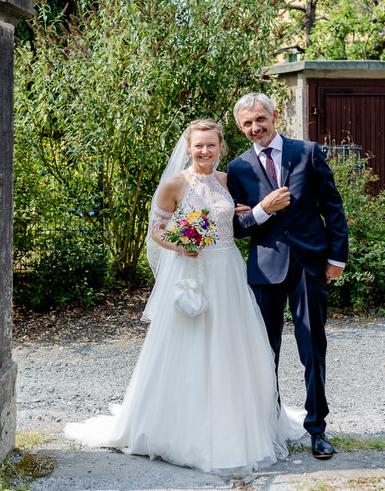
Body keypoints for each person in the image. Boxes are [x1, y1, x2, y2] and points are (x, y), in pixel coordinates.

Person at [63, 119, 305, 475]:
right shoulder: (174, 184)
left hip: (228, 273)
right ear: (189, 148)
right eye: (199, 145)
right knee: (188, 346)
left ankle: (236, 425)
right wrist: (182, 244)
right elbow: (157, 231)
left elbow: (237, 224)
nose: (205, 151)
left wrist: (248, 211)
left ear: (220, 147)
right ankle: (182, 427)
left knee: (232, 345)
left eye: (211, 145)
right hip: (192, 272)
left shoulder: (229, 182)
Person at [226, 93, 349, 460]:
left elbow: (332, 206)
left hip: (310, 264)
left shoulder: (307, 152)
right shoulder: (238, 168)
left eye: (260, 119)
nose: (255, 128)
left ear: (275, 116)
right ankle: (270, 426)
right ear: (239, 127)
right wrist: (262, 210)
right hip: (264, 269)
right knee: (265, 354)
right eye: (247, 124)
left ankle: (318, 429)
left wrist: (337, 258)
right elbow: (237, 227)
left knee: (312, 349)